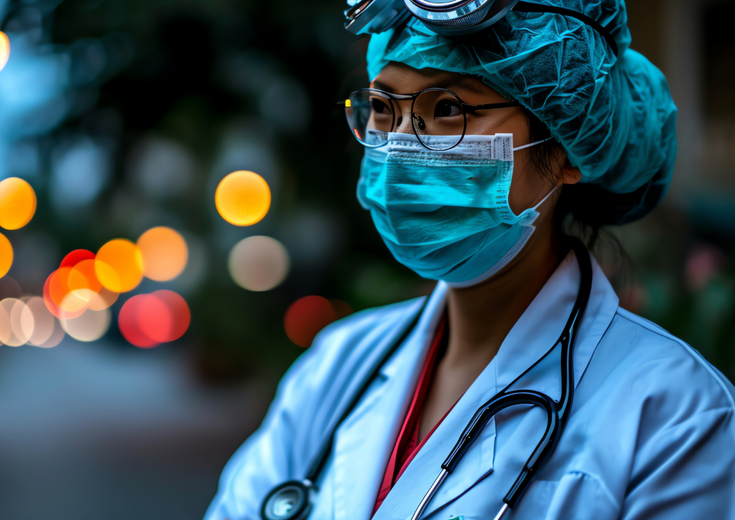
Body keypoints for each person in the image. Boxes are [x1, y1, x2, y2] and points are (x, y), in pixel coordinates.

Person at [204, 1, 735, 519]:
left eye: (449, 110)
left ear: (566, 147)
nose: (400, 149)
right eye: (384, 110)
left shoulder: (675, 416)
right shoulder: (337, 367)